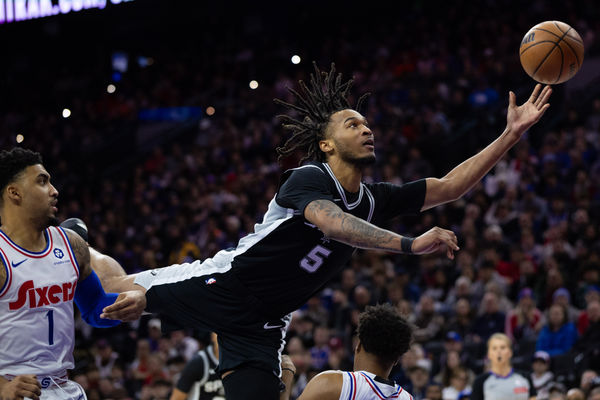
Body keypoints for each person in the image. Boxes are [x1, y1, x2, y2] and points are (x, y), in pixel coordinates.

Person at [100, 65, 552, 399]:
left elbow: (450, 187)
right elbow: (336, 225)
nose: (367, 128)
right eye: (353, 124)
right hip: (226, 286)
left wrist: (511, 134)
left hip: (263, 324)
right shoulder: (308, 178)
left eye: (367, 123)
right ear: (327, 144)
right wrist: (409, 244)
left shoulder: (375, 198)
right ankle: (76, 245)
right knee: (111, 295)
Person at [0, 148, 143, 400]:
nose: (55, 191)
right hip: (15, 390)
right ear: (14, 192)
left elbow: (95, 308)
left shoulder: (71, 244)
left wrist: (132, 304)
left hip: (65, 388)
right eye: (42, 181)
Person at [285, 303, 414, 400]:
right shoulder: (407, 398)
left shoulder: (332, 383)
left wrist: (286, 378)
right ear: (397, 359)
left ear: (358, 346)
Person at [471, 333, 536, 400]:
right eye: (494, 348)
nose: (499, 351)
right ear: (489, 354)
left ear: (510, 352)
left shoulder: (525, 377)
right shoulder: (480, 382)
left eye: (503, 347)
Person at [170, 332, 225, 400]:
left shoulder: (238, 361)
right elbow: (176, 398)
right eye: (220, 332)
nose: (224, 337)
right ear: (212, 336)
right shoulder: (199, 362)